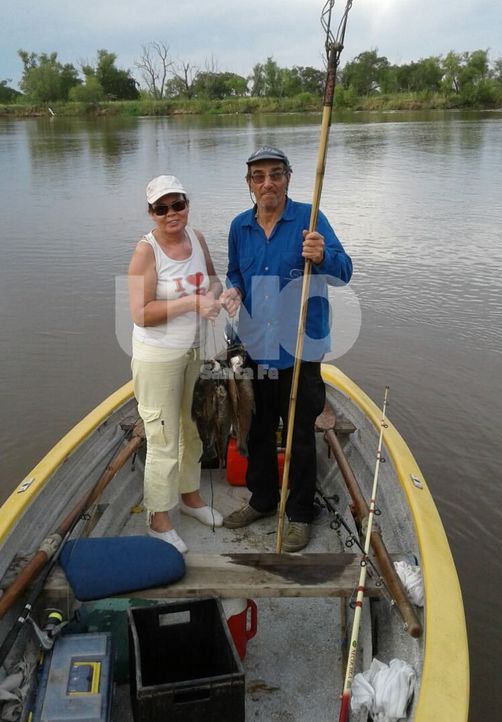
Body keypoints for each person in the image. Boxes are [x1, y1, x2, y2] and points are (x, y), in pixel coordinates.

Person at [219, 146, 352, 552]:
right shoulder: (239, 227)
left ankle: (300, 513)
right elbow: (235, 272)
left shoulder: (310, 220)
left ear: (288, 178)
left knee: (299, 435)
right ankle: (263, 499)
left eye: (275, 174)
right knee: (257, 428)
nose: (268, 183)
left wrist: (323, 255)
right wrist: (235, 291)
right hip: (255, 347)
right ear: (249, 183)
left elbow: (344, 272)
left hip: (300, 349)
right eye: (258, 176)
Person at [128, 174, 223, 553]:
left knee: (192, 427)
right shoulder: (146, 252)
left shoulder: (196, 238)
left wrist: (219, 296)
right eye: (161, 208)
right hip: (157, 358)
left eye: (177, 204)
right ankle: (158, 519)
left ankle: (190, 496)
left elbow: (213, 280)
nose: (171, 213)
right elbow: (141, 313)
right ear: (151, 213)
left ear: (187, 205)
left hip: (193, 352)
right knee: (163, 438)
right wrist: (193, 303)